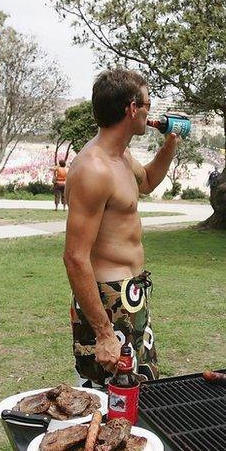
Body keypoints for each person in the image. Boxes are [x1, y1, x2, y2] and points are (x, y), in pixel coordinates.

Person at [63, 67, 179, 391]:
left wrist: (170, 144)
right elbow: (74, 257)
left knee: (144, 391)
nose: (149, 114)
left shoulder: (123, 157)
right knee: (107, 397)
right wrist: (102, 333)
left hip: (133, 293)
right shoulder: (93, 169)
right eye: (147, 106)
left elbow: (148, 182)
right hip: (106, 299)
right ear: (132, 109)